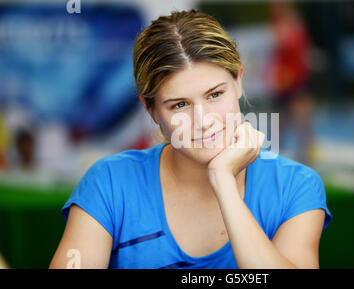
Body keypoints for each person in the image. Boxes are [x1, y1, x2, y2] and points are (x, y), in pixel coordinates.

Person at [49, 9, 332, 269]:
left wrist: (223, 182)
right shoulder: (109, 183)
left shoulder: (295, 186)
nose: (203, 120)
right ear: (151, 111)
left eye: (215, 95)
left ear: (239, 81)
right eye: (179, 105)